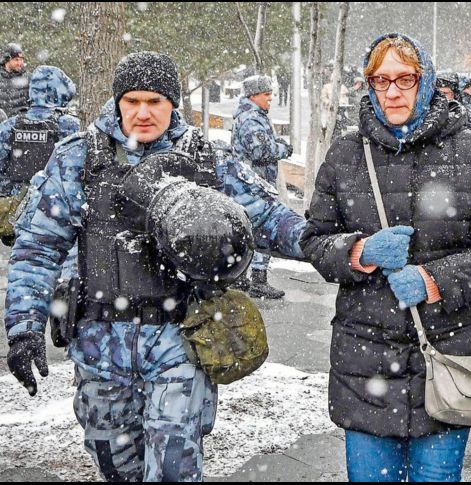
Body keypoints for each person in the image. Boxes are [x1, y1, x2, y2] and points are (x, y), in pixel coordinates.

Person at [3, 51, 306, 482]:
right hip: (100, 347)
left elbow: (267, 218)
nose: (143, 113)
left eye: (155, 101)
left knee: (172, 470)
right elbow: (38, 248)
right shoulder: (79, 158)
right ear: (118, 102)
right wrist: (23, 327)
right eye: (132, 101)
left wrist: (337, 248)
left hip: (179, 343)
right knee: (117, 467)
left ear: (172, 103)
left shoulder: (206, 159)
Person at [301, 33, 471, 482]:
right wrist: (359, 251)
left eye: (405, 78)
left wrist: (435, 279)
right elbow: (314, 239)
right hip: (365, 364)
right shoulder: (346, 155)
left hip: (448, 357)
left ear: (426, 82)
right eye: (380, 80)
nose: (393, 91)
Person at [0, 65, 80, 279]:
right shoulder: (68, 126)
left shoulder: (9, 127)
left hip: (18, 213)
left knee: (25, 269)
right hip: (54, 211)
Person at [231, 74, 294, 299]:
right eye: (267, 94)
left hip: (252, 183)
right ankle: (254, 279)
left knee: (249, 231)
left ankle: (243, 278)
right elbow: (261, 152)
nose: (271, 98)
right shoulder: (251, 119)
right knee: (260, 231)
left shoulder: (254, 115)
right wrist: (283, 149)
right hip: (253, 186)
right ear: (253, 95)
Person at [0, 43, 30, 116]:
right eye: (16, 60)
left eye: (21, 60)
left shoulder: (29, 78)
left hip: (22, 124)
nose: (20, 63)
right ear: (7, 60)